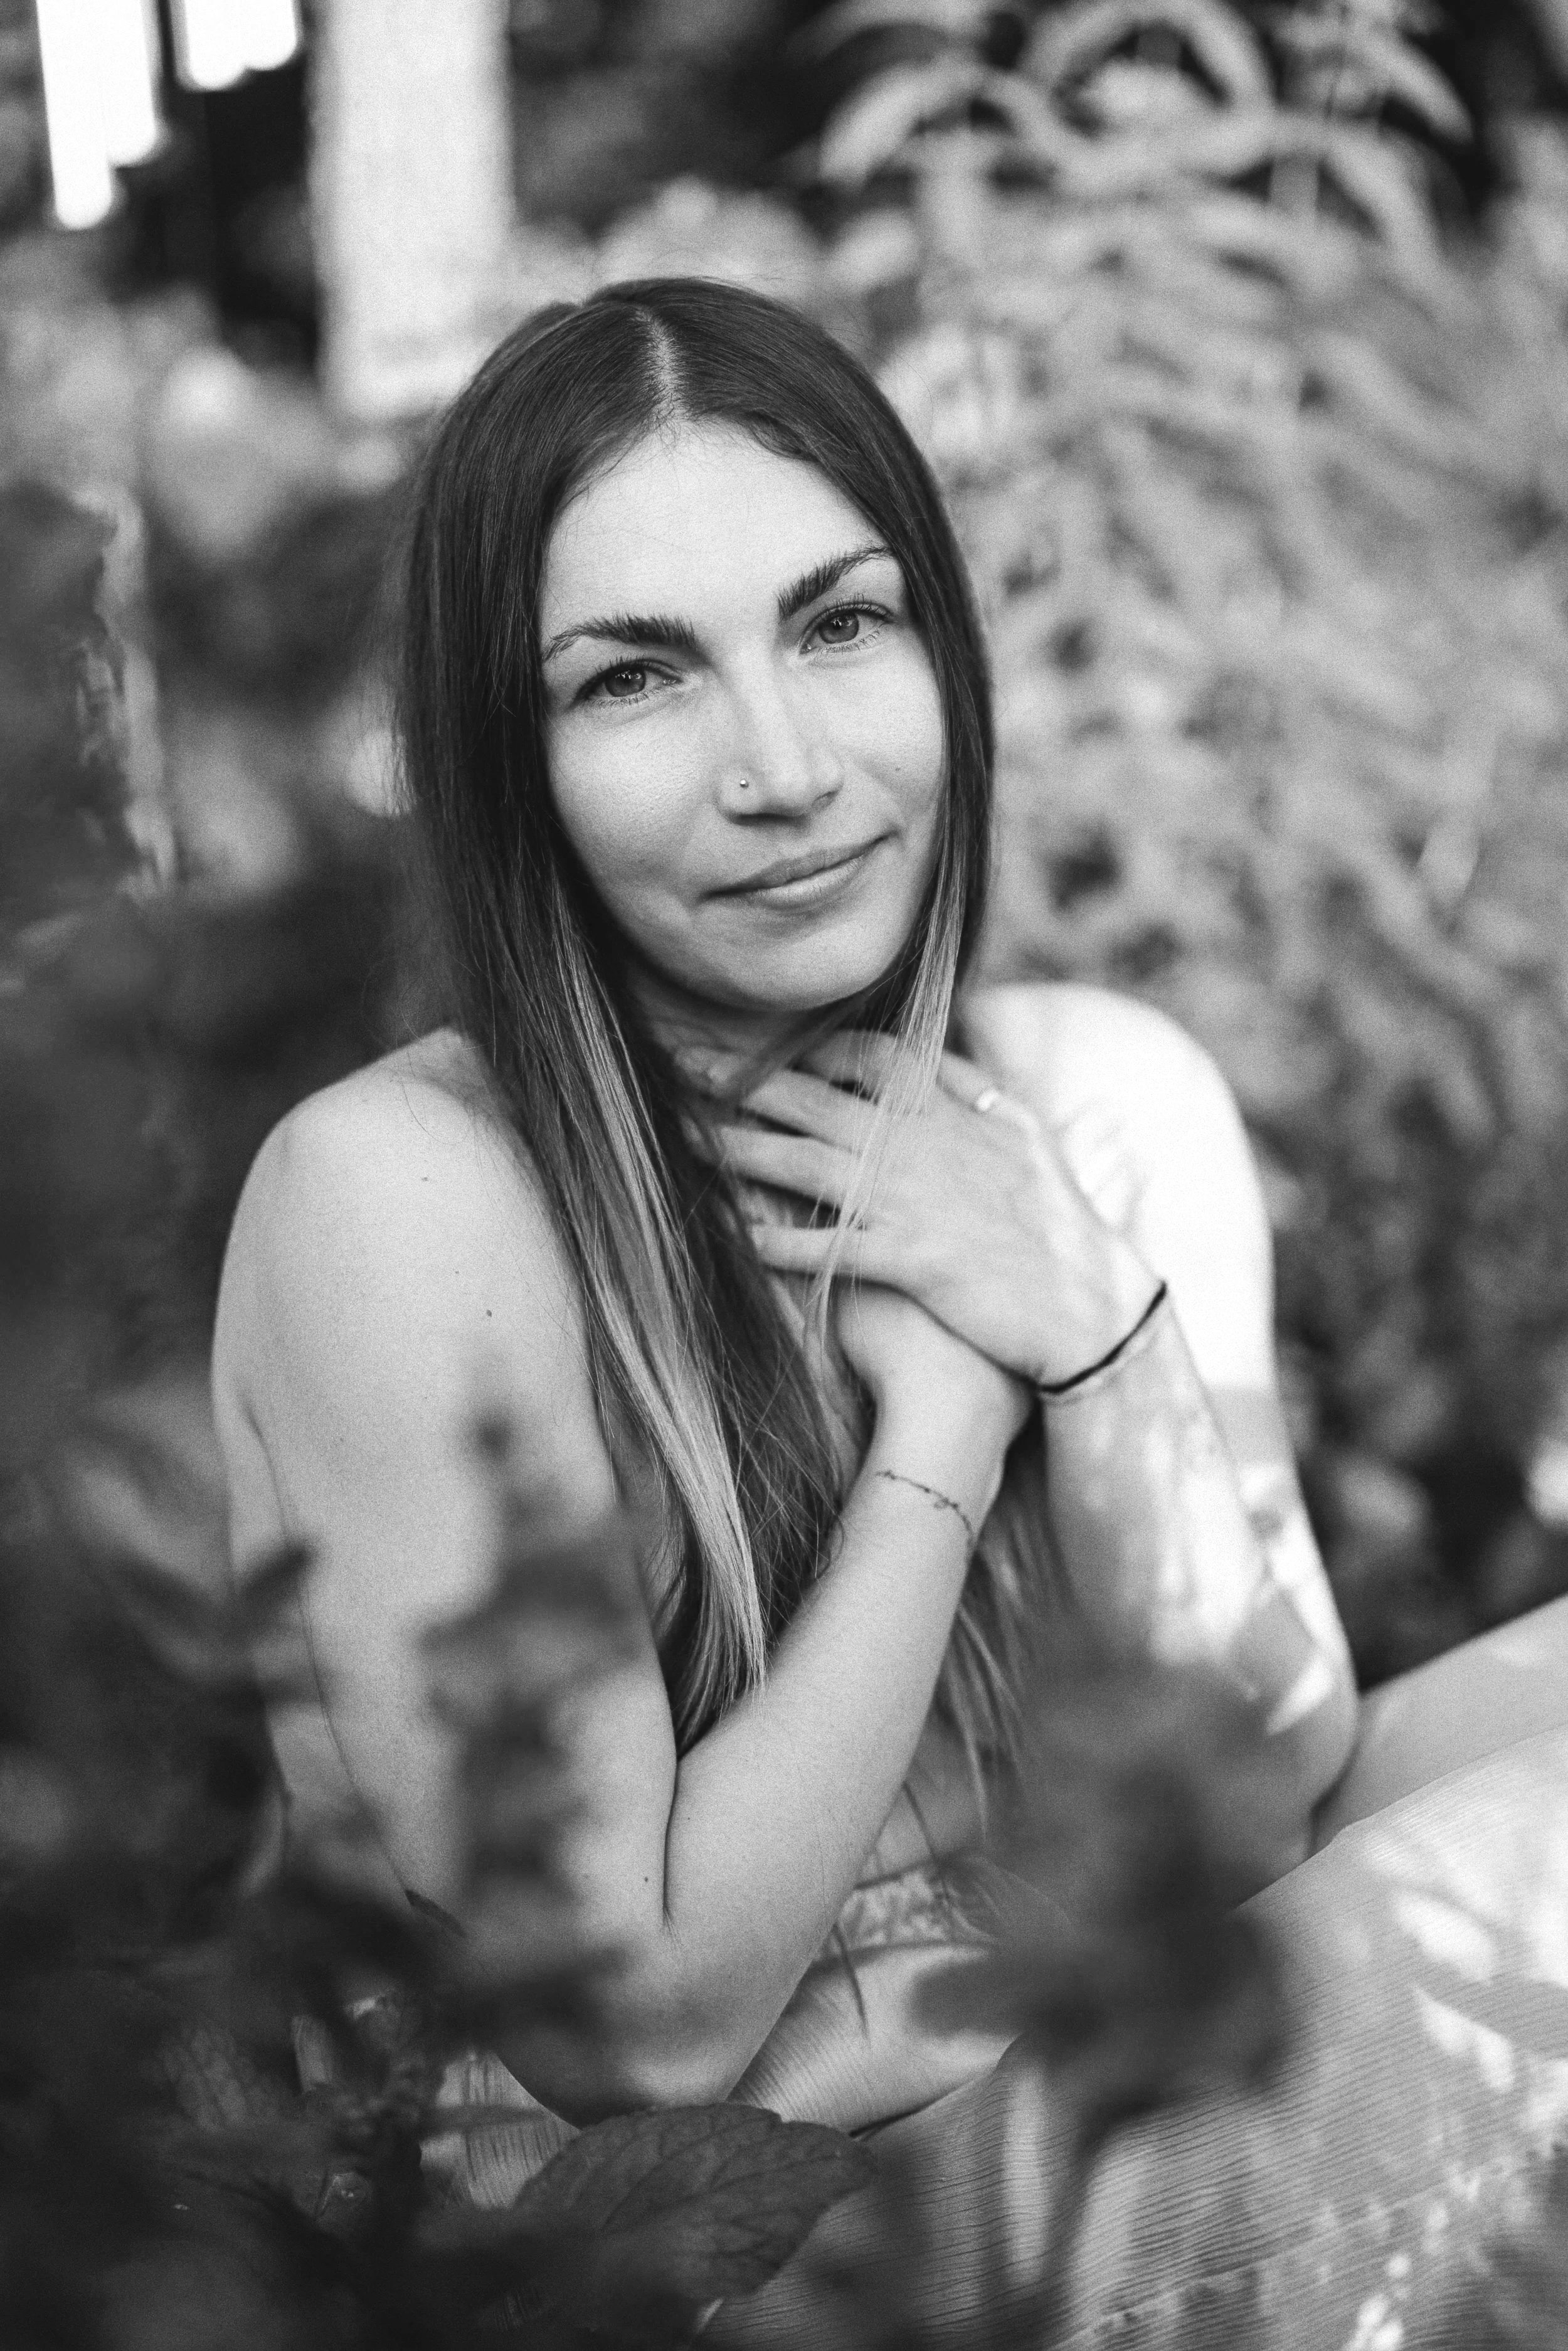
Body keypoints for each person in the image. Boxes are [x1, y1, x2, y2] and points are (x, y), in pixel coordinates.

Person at [213, 280, 1568, 2345]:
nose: (783, 766)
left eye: (840, 623)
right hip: (697, 2268)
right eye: (634, 677)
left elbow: (1253, 1790)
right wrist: (941, 1428)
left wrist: (1092, 1329)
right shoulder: (404, 1197)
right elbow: (644, 2031)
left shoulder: (1084, 1100)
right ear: (507, 759)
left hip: (1053, 2077)